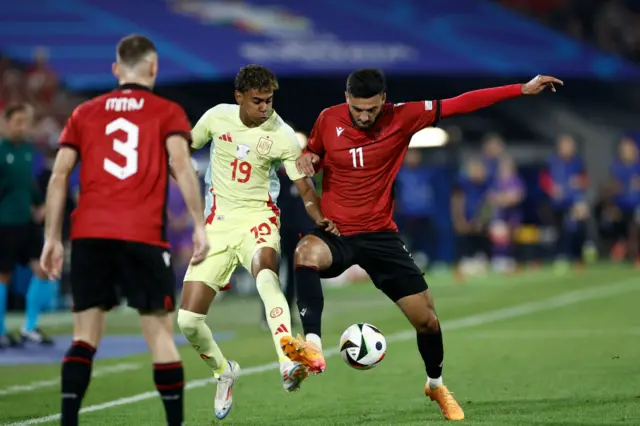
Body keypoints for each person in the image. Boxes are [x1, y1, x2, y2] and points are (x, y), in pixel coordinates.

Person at [288, 69, 562, 421]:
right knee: (304, 254)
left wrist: (521, 89)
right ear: (347, 100)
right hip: (337, 231)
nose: (364, 116)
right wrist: (309, 158)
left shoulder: (404, 116)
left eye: (371, 109)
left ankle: (435, 384)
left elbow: (461, 103)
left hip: (380, 235)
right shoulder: (328, 119)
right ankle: (312, 345)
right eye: (357, 109)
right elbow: (313, 153)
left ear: (383, 101)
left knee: (427, 321)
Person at [39, 34, 208, 426]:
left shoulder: (84, 113)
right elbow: (182, 167)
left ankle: (68, 420)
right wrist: (199, 224)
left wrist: (52, 237)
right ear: (153, 68)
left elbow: (59, 175)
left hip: (90, 234)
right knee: (160, 337)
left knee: (84, 337)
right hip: (143, 234)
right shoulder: (167, 111)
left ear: (116, 70)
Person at [176, 65, 336, 419]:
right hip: (217, 227)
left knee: (267, 276)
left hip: (258, 220)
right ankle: (224, 372)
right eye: (258, 101)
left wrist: (319, 216)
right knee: (187, 321)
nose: (266, 108)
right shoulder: (217, 117)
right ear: (239, 98)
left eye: (270, 100)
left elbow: (305, 189)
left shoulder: (281, 135)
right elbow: (185, 145)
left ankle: (286, 360)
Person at [0, 103, 53, 348]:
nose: (22, 127)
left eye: (26, 122)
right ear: (6, 123)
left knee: (44, 269)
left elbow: (28, 182)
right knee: (3, 277)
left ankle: (29, 328)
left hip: (27, 222)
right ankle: (1, 331)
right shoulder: (2, 151)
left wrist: (40, 203)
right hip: (5, 223)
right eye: (18, 121)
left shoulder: (29, 151)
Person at [258, 130, 314, 329]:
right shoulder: (272, 176)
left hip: (297, 233)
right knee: (270, 273)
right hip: (275, 231)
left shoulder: (303, 174)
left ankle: (289, 313)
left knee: (294, 276)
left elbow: (309, 203)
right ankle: (268, 315)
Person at [540, 135, 588, 271]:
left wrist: (579, 183)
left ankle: (578, 256)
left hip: (573, 200)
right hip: (556, 202)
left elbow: (585, 180)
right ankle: (560, 255)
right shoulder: (551, 162)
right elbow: (544, 180)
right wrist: (552, 189)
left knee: (578, 223)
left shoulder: (578, 162)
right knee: (559, 230)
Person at [451, 157, 491, 280]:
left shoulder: (485, 186)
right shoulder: (462, 184)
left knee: (479, 250)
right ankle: (464, 267)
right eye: (476, 169)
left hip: (478, 225)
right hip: (465, 223)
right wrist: (460, 220)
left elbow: (487, 205)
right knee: (464, 248)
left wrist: (480, 221)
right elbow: (457, 202)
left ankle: (479, 264)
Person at [487, 156, 526, 273]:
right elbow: (491, 197)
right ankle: (498, 260)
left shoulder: (516, 180)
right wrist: (505, 198)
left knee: (510, 237)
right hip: (499, 215)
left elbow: (517, 196)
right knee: (498, 235)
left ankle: (510, 260)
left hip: (512, 215)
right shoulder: (497, 182)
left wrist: (503, 198)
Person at [610, 137, 640, 266]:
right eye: (624, 149)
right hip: (622, 205)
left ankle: (633, 253)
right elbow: (614, 189)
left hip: (637, 204)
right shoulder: (616, 167)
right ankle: (623, 247)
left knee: (636, 224)